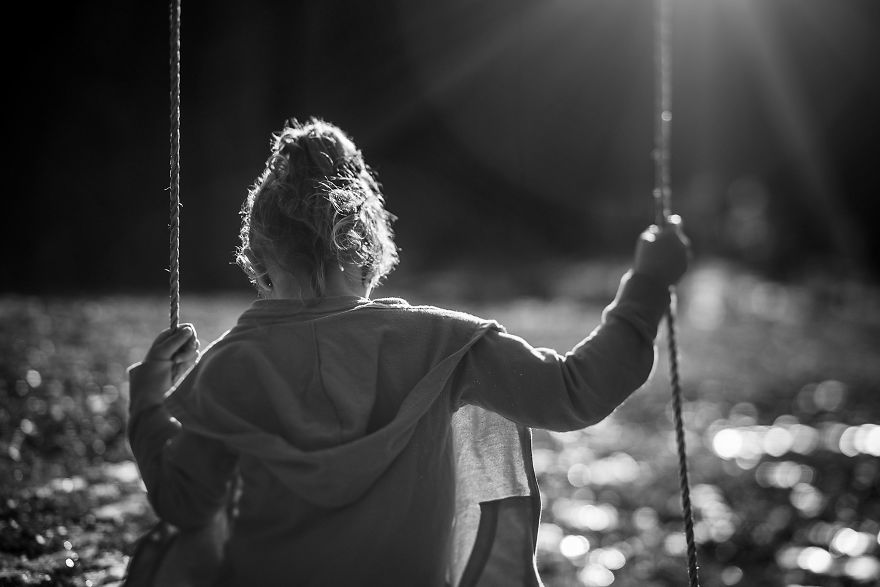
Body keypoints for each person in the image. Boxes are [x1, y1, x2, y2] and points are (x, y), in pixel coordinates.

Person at [126, 117, 690, 587]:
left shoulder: (230, 366)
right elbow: (575, 392)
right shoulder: (443, 342)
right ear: (368, 244)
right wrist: (645, 288)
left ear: (258, 252)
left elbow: (186, 505)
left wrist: (148, 405)